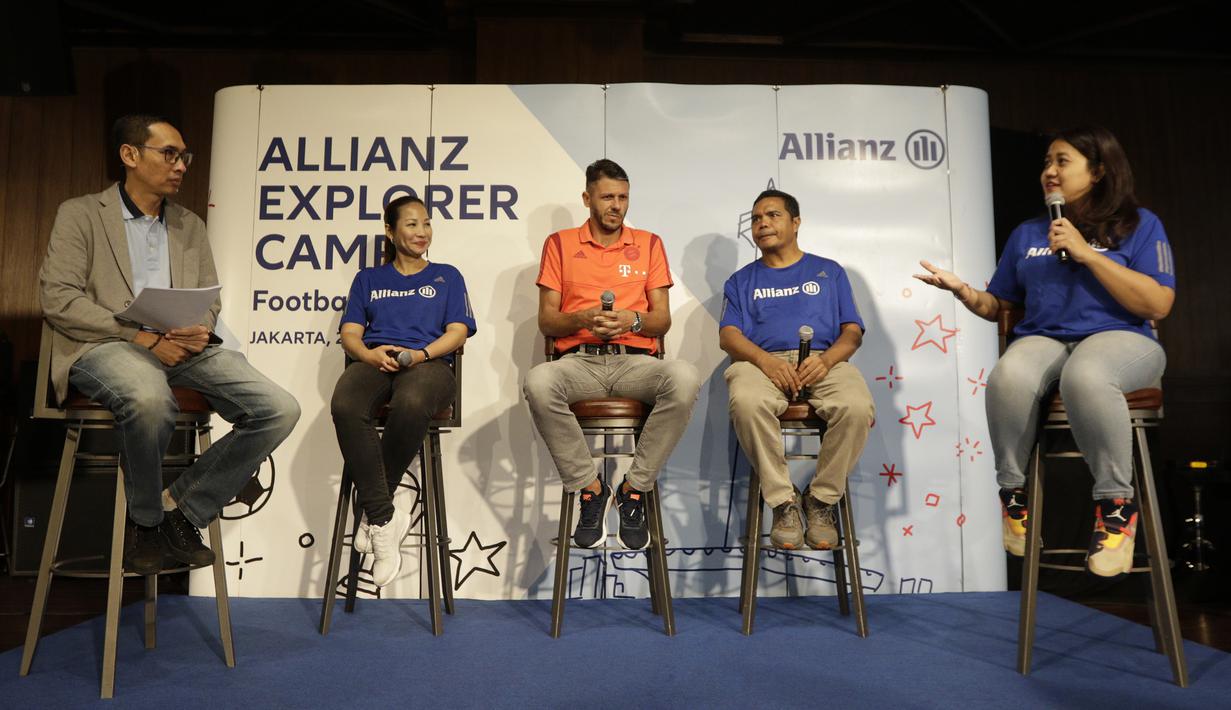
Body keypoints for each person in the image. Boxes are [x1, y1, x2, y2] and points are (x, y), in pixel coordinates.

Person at [39, 114, 301, 575]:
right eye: (169, 154)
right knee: (148, 398)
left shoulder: (190, 225)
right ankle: (144, 521)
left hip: (179, 347)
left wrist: (199, 327)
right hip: (105, 345)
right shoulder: (81, 214)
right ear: (130, 155)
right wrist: (138, 336)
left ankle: (181, 507)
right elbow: (59, 299)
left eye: (185, 157)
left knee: (278, 408)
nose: (181, 165)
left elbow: (208, 297)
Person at [915, 125, 1175, 577]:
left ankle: (1116, 510)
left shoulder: (1138, 224)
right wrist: (963, 292)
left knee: (1087, 375)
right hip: (1046, 338)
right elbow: (1000, 305)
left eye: (1062, 162)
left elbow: (1158, 304)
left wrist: (1088, 253)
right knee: (1008, 375)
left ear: (1097, 172)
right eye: (1046, 163)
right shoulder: (1028, 232)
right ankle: (1014, 498)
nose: (1049, 172)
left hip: (1121, 338)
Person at [523, 159, 700, 551]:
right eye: (607, 197)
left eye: (623, 197)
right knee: (537, 382)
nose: (616, 205)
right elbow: (548, 321)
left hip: (634, 362)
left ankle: (633, 490)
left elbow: (662, 321)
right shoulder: (560, 244)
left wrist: (631, 321)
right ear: (587, 198)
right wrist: (584, 318)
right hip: (578, 362)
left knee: (685, 377)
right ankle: (590, 489)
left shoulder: (649, 243)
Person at [331, 195, 476, 587]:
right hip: (376, 361)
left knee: (411, 402)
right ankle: (383, 518)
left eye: (426, 223)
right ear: (390, 231)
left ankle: (373, 513)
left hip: (429, 365)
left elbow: (458, 332)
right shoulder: (368, 280)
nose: (421, 232)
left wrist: (421, 354)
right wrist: (369, 354)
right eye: (411, 224)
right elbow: (349, 335)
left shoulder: (447, 276)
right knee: (345, 404)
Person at [719, 189, 875, 550]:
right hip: (762, 363)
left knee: (855, 407)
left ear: (796, 222)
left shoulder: (829, 271)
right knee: (745, 399)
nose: (762, 224)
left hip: (822, 361)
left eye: (772, 215)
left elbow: (852, 333)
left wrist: (825, 361)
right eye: (757, 219)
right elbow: (729, 336)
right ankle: (783, 502)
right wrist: (766, 362)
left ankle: (820, 500)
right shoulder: (741, 281)